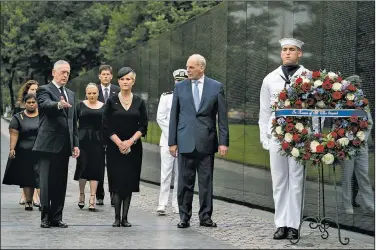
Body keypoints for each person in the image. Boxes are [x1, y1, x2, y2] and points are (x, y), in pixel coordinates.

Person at [168, 54, 229, 229]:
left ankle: (205, 217)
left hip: (207, 141)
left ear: (202, 68)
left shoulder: (216, 87)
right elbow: (174, 116)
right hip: (185, 140)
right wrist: (172, 142)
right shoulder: (180, 87)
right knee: (184, 183)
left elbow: (222, 118)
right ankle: (184, 217)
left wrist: (223, 142)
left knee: (206, 182)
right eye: (187, 67)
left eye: (191, 67)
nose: (188, 70)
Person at [258, 38, 307, 240]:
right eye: (284, 50)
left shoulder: (309, 77)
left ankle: (294, 224)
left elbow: (317, 110)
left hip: (300, 134)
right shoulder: (270, 78)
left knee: (296, 181)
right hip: (277, 133)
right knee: (279, 180)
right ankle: (281, 224)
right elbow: (264, 110)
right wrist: (264, 135)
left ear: (299, 53)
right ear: (280, 53)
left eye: (292, 50)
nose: (287, 53)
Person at [32, 60, 80, 228]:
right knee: (45, 183)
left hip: (64, 146)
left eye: (68, 72)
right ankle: (45, 218)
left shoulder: (71, 94)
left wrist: (75, 144)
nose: (65, 75)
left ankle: (56, 217)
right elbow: (45, 105)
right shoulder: (44, 90)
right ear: (54, 72)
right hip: (47, 145)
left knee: (60, 183)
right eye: (62, 72)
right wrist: (58, 104)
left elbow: (73, 122)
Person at [103, 67, 148, 227]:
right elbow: (106, 125)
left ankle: (125, 217)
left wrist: (130, 142)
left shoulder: (139, 102)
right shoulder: (111, 101)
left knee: (128, 181)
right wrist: (119, 143)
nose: (125, 82)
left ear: (133, 81)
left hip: (133, 148)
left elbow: (143, 125)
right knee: (116, 181)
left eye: (128, 79)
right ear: (118, 81)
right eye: (122, 79)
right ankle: (116, 218)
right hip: (115, 147)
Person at [339, 75, 375, 215]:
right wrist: (348, 139)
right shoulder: (341, 102)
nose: (359, 87)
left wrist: (361, 138)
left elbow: (369, 122)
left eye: (359, 85)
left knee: (364, 175)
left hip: (361, 145)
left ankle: (370, 204)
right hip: (347, 145)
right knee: (347, 177)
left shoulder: (363, 102)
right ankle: (347, 204)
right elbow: (339, 123)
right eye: (356, 85)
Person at [156, 68, 188, 215]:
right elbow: (160, 118)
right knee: (166, 173)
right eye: (177, 81)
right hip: (167, 141)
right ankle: (162, 204)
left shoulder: (190, 98)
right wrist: (173, 137)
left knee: (180, 175)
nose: (179, 83)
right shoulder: (166, 97)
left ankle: (176, 204)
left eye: (182, 81)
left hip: (184, 142)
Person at [3, 93, 40, 211]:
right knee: (27, 177)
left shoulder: (43, 116)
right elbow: (14, 134)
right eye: (28, 102)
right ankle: (28, 201)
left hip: (40, 151)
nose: (31, 104)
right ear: (24, 104)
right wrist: (12, 149)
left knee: (40, 176)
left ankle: (42, 201)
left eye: (33, 102)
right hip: (23, 151)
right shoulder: (18, 117)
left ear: (37, 103)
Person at [74, 83, 105, 212]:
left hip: (98, 141)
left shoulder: (104, 106)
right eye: (89, 93)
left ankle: (92, 197)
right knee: (83, 167)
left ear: (98, 93)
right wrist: (74, 143)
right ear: (86, 94)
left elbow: (107, 125)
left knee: (96, 169)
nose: (92, 95)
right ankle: (82, 193)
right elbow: (73, 124)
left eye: (94, 93)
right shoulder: (79, 105)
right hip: (82, 141)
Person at [13, 80, 40, 207]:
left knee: (36, 172)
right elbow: (15, 125)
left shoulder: (40, 106)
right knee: (25, 172)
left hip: (37, 144)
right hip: (24, 142)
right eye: (32, 89)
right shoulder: (20, 106)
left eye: (36, 89)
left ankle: (34, 197)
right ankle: (25, 195)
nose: (35, 91)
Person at [96, 65, 120, 206]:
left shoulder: (117, 91)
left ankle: (114, 195)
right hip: (98, 133)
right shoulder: (94, 90)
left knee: (113, 166)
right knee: (99, 166)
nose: (105, 76)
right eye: (103, 74)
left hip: (113, 133)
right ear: (99, 76)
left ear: (111, 76)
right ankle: (99, 195)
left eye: (108, 74)